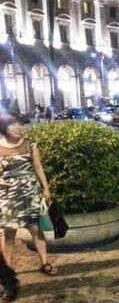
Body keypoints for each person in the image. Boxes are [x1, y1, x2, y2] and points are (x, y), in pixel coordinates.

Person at [0, 111, 55, 276]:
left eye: (19, 123)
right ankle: (8, 269)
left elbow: (38, 167)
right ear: (4, 127)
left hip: (30, 193)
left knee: (35, 229)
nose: (17, 127)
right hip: (8, 196)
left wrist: (46, 188)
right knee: (9, 233)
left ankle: (45, 263)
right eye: (12, 124)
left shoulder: (31, 145)